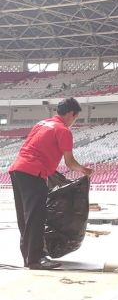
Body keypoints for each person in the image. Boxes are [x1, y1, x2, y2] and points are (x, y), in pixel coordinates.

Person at [9, 98, 93, 270]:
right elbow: (70, 163)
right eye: (75, 117)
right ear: (71, 113)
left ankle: (28, 256)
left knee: (25, 217)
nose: (74, 121)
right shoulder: (63, 130)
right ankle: (35, 259)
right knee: (36, 216)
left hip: (17, 170)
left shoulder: (42, 124)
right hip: (33, 173)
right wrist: (85, 171)